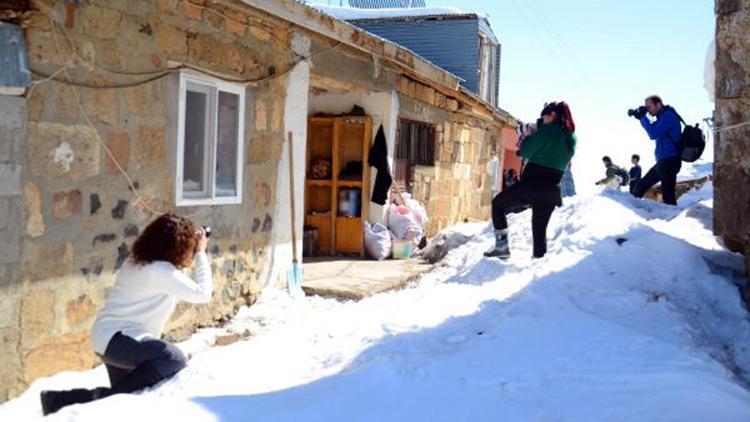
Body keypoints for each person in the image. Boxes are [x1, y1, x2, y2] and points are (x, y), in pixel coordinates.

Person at [40, 213, 213, 415]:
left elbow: (175, 277)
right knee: (173, 359)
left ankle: (57, 401)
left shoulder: (137, 261)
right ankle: (65, 400)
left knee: (123, 401)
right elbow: (203, 294)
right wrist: (200, 252)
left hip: (111, 338)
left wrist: (191, 244)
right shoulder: (159, 271)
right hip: (120, 341)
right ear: (177, 246)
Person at [485, 101, 577, 260]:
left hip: (532, 186)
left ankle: (502, 247)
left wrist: (527, 135)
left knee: (498, 205)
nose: (542, 119)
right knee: (539, 232)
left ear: (552, 115)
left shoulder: (546, 131)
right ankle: (539, 265)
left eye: (544, 115)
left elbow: (524, 152)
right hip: (552, 191)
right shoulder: (571, 136)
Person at [631, 95, 682, 205]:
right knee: (642, 186)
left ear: (658, 104)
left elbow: (653, 134)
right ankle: (631, 208)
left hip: (670, 161)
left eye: (649, 107)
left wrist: (642, 117)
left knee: (668, 196)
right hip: (664, 162)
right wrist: (641, 117)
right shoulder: (662, 117)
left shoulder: (668, 116)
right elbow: (652, 129)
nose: (648, 111)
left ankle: (673, 220)